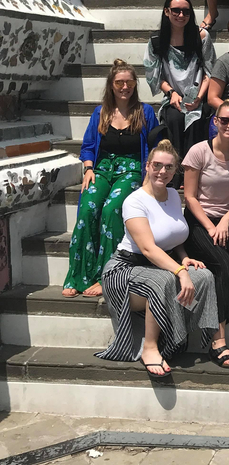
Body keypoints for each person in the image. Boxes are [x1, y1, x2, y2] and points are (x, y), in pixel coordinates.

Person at [97, 140, 219, 381]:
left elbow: (173, 237)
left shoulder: (174, 195)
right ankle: (150, 347)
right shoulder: (134, 201)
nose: (162, 171)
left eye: (169, 167)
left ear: (176, 171)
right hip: (125, 270)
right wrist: (180, 272)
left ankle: (186, 338)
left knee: (204, 276)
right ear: (147, 166)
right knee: (163, 281)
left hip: (157, 265)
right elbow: (148, 248)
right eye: (157, 165)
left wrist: (184, 260)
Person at [63, 60, 159, 298]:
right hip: (103, 168)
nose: (124, 87)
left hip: (133, 168)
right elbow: (87, 147)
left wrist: (150, 174)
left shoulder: (145, 112)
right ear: (111, 85)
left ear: (135, 84)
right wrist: (88, 169)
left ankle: (107, 276)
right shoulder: (100, 112)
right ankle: (78, 275)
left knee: (112, 209)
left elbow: (155, 146)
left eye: (129, 82)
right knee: (87, 209)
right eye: (119, 82)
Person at [182, 99, 229, 368]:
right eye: (225, 120)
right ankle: (218, 342)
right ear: (215, 121)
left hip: (224, 220)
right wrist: (212, 226)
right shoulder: (198, 152)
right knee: (223, 266)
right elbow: (189, 197)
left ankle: (226, 290)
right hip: (199, 222)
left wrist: (225, 221)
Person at [144, 0, 215, 173]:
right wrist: (171, 93)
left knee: (196, 120)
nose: (181, 15)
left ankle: (194, 170)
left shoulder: (202, 37)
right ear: (166, 12)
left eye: (186, 11)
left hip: (199, 94)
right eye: (176, 11)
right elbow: (154, 75)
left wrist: (199, 97)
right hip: (172, 97)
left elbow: (209, 71)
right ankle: (174, 170)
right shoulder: (156, 41)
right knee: (174, 119)